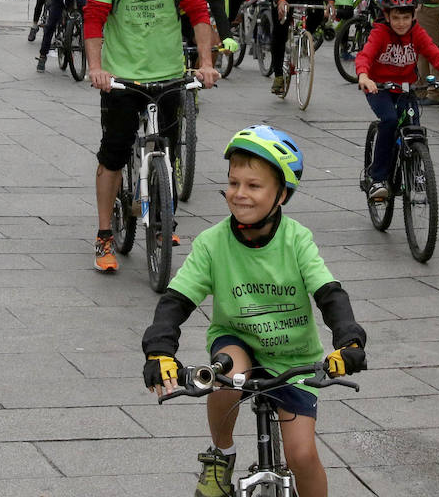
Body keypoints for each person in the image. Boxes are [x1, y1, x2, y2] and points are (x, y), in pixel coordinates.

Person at [142, 125, 367, 497]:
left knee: (302, 455)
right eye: (233, 183)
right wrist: (159, 351)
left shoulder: (297, 240)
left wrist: (349, 342)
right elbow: (176, 301)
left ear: (282, 194)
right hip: (238, 341)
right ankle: (222, 455)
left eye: (253, 185)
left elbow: (329, 294)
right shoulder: (212, 243)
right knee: (227, 375)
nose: (239, 193)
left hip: (293, 357)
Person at [84, 0, 219, 273]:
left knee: (168, 150)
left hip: (169, 75)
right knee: (113, 156)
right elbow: (94, 18)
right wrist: (96, 69)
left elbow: (199, 12)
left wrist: (206, 64)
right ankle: (104, 234)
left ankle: (162, 219)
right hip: (121, 78)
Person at [355, 0, 439, 199]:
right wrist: (364, 76)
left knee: (414, 129)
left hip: (406, 88)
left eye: (406, 17)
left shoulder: (417, 33)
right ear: (387, 16)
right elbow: (365, 56)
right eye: (396, 18)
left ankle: (416, 170)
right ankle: (377, 179)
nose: (401, 23)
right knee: (389, 120)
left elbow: (435, 53)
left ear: (414, 15)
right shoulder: (380, 33)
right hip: (379, 88)